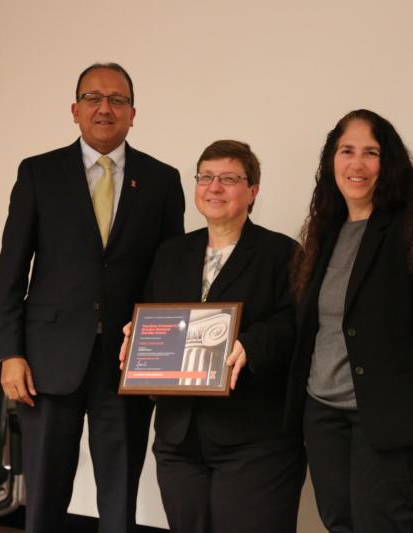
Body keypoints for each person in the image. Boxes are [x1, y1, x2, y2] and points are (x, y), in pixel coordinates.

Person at [0, 62, 185, 533]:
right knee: (44, 496)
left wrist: (163, 359)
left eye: (117, 100)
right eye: (94, 98)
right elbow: (11, 271)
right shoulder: (39, 173)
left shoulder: (162, 180)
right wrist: (10, 353)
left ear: (133, 113)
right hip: (46, 360)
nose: (105, 108)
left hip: (126, 363)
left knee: (119, 498)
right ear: (75, 110)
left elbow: (169, 280)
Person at [285, 109, 413, 533]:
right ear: (331, 159)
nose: (357, 164)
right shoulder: (325, 229)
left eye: (371, 153)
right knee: (339, 522)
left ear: (388, 164)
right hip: (322, 414)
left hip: (387, 420)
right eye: (346, 151)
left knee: (381, 524)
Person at [120, 140, 306, 533]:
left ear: (253, 191)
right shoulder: (171, 253)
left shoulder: (282, 253)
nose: (214, 187)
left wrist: (251, 344)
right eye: (206, 177)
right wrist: (138, 339)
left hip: (255, 439)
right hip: (179, 440)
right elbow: (156, 318)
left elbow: (299, 325)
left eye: (228, 178)